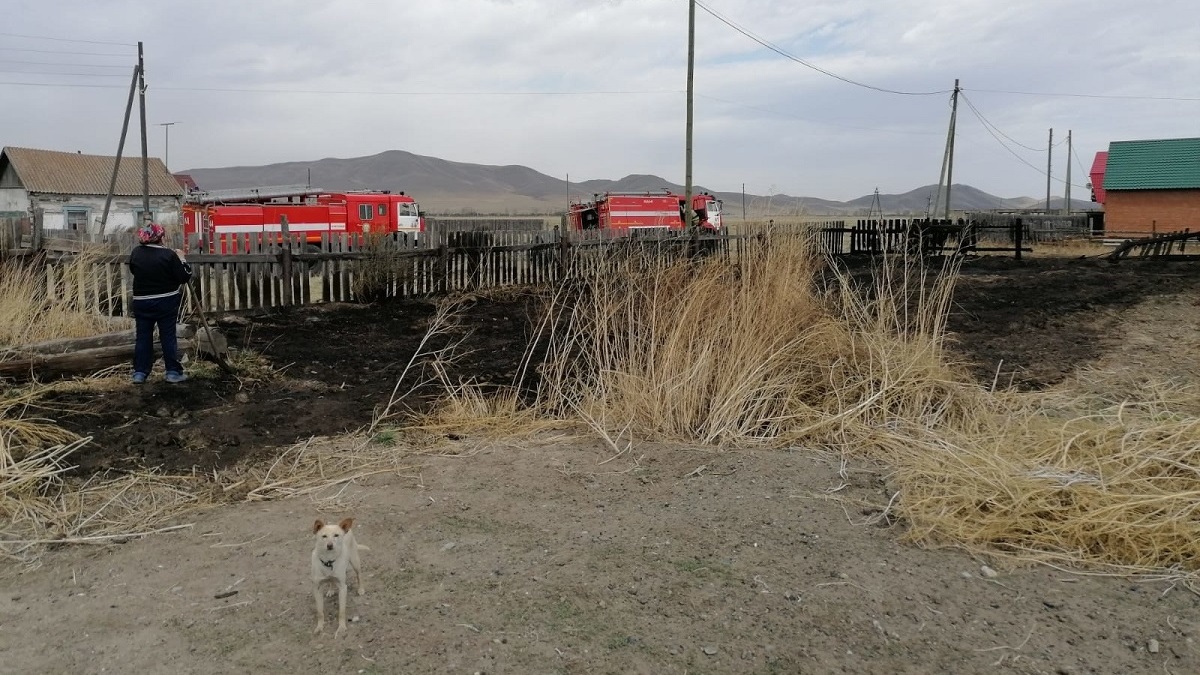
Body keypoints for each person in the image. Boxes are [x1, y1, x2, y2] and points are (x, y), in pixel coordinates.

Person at [128, 222, 193, 384]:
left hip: (141, 302)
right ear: (159, 238)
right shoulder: (169, 255)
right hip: (165, 302)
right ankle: (172, 372)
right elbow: (184, 277)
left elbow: (133, 270)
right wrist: (182, 259)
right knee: (168, 336)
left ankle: (140, 373)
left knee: (143, 337)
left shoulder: (136, 253)